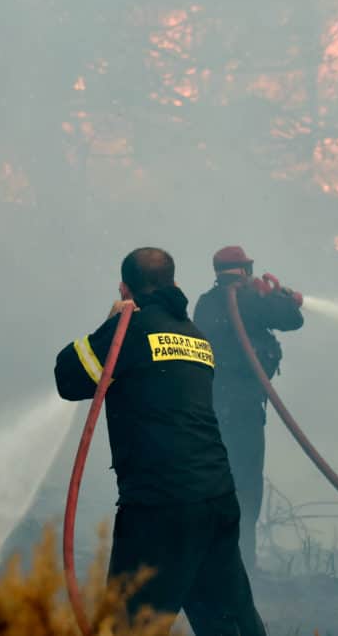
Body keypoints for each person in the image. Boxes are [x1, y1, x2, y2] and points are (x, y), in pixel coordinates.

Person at [55, 247, 267, 636]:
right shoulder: (194, 336)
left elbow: (68, 377)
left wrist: (111, 324)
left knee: (131, 626)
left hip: (159, 509)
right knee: (231, 625)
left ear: (124, 289)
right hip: (216, 500)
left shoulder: (129, 332)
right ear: (175, 284)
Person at [192, 246, 303, 573]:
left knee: (213, 485)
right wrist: (279, 296)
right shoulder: (250, 300)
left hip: (210, 410)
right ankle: (242, 567)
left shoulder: (205, 303)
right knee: (245, 486)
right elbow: (293, 319)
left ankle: (209, 562)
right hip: (243, 412)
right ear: (244, 270)